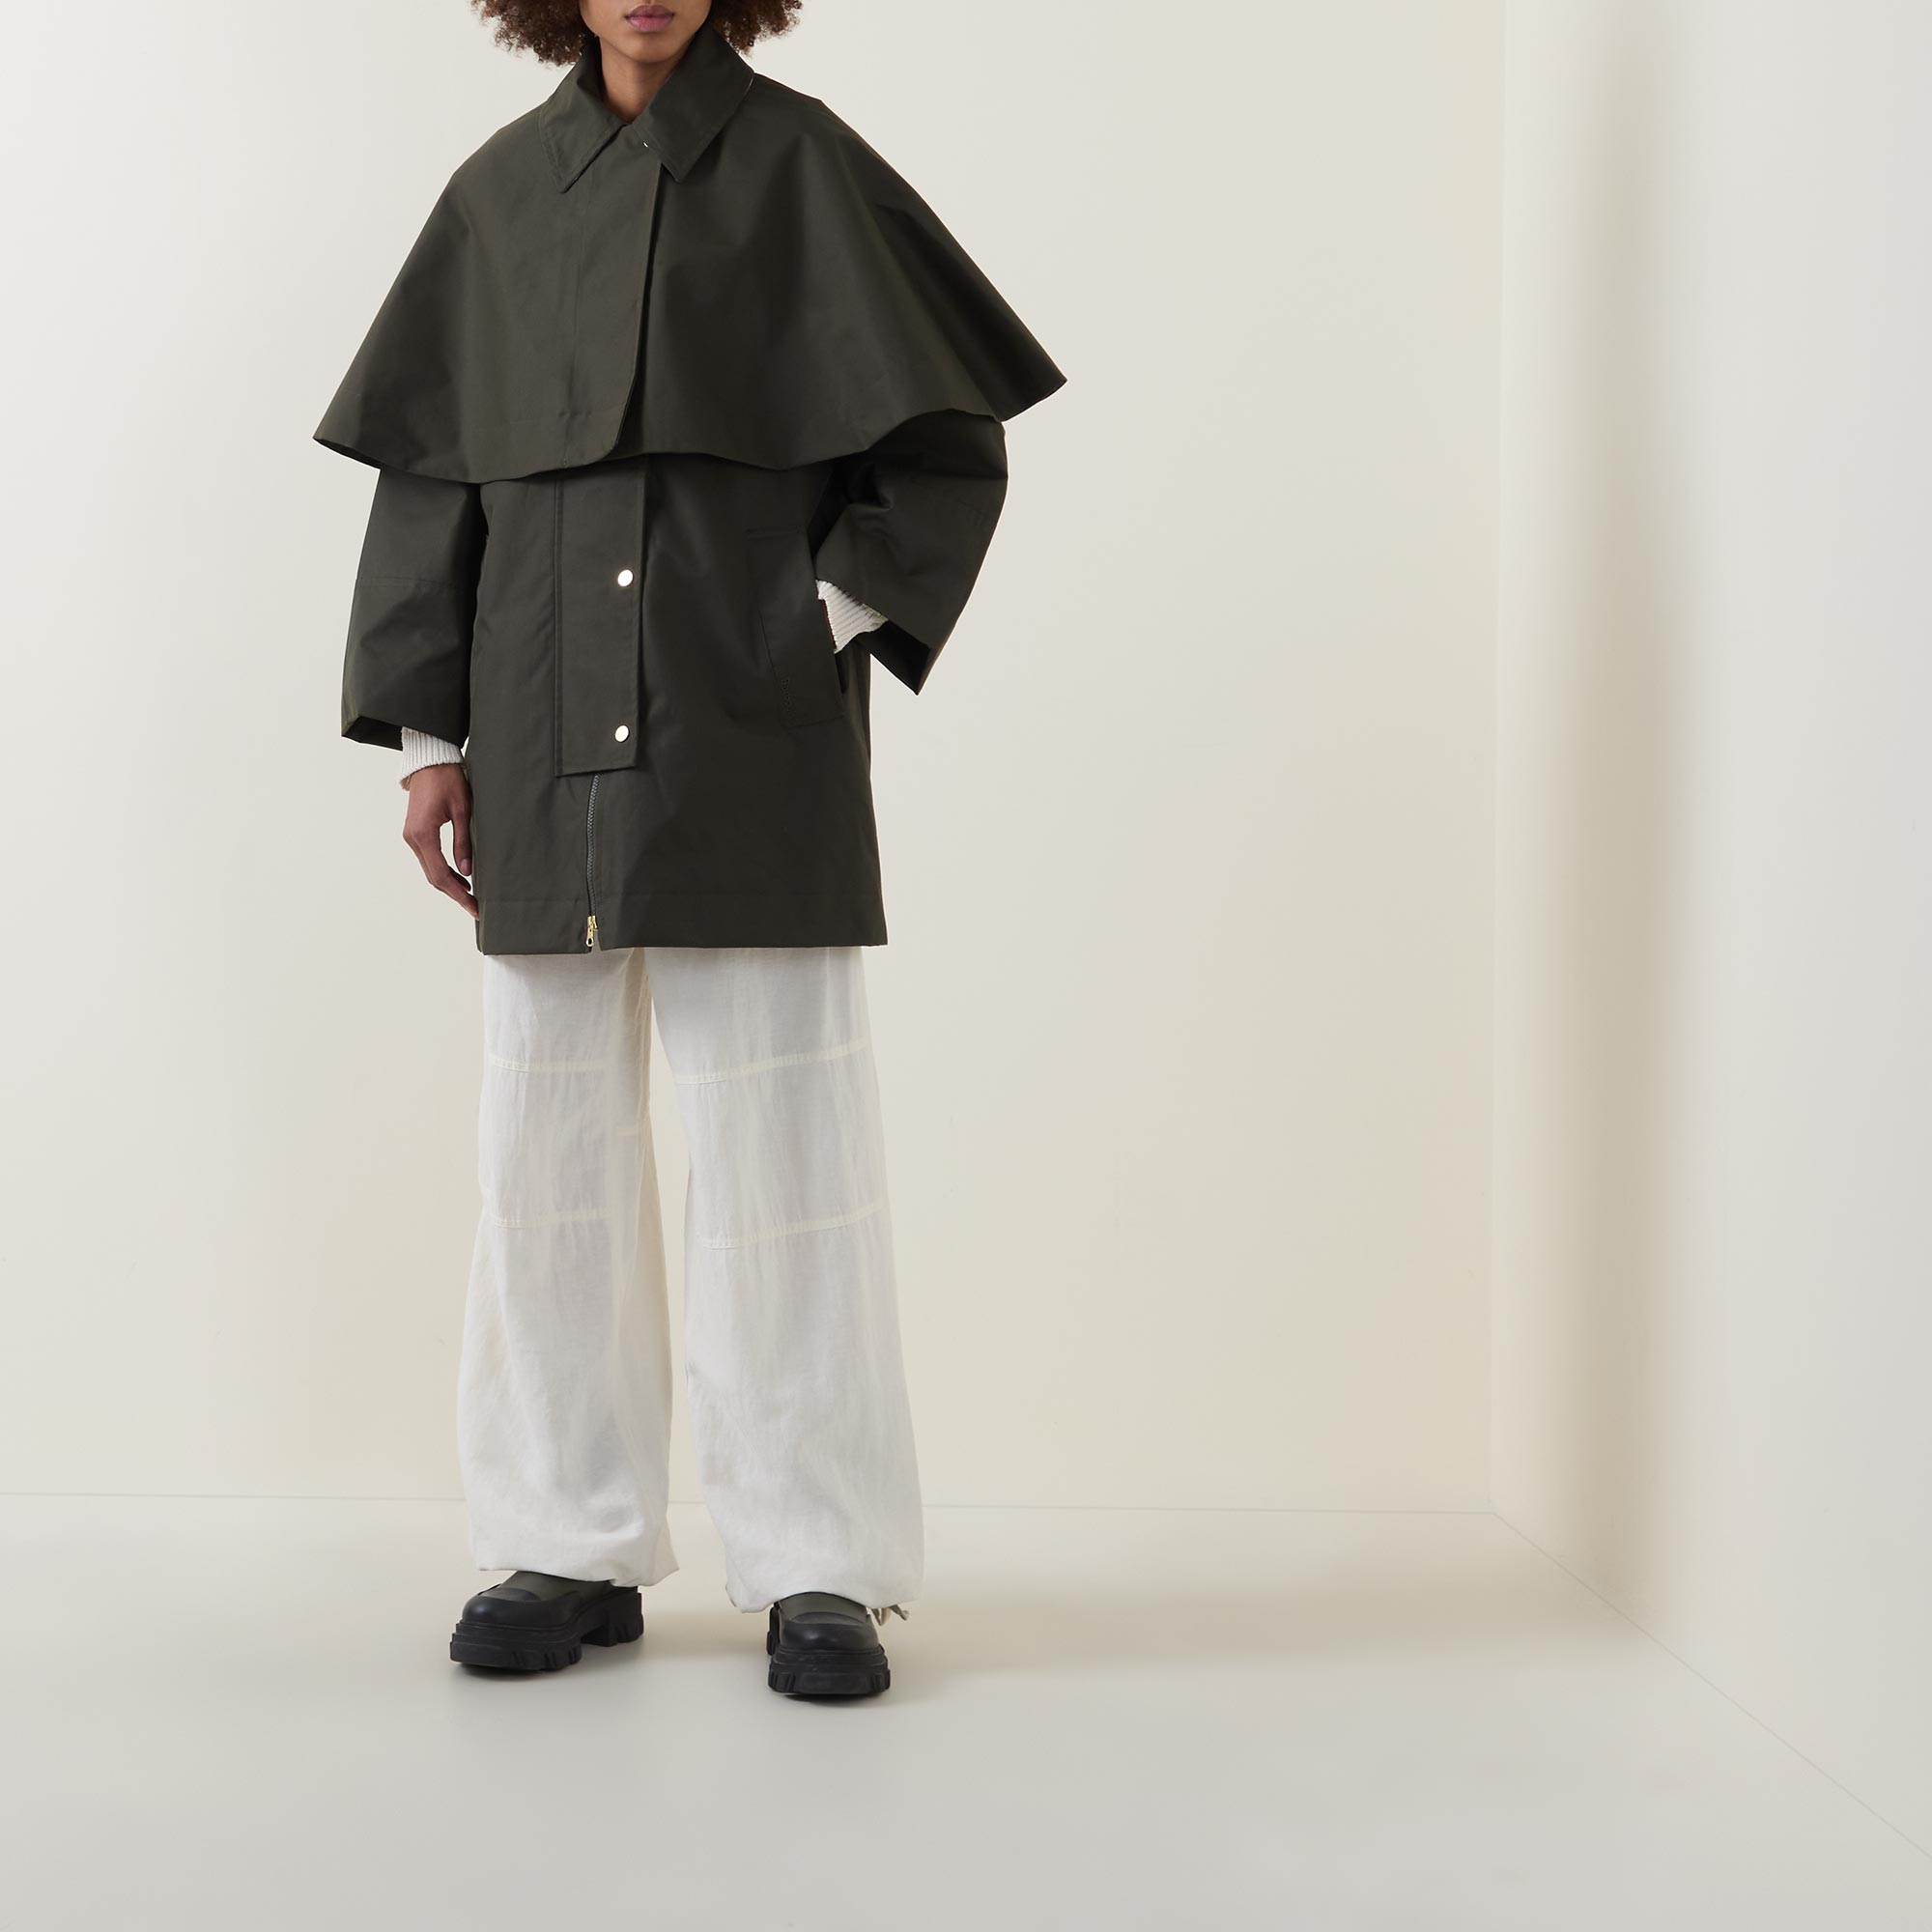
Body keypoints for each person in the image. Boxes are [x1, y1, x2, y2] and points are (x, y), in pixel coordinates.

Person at [314, 0, 1062, 1694]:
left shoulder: (806, 169)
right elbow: (430, 486)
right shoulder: (499, 195)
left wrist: (815, 621)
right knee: (545, 1155)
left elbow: (948, 445)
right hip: (535, 723)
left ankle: (818, 1559)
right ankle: (562, 1542)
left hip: (749, 726)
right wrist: (432, 742)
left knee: (781, 1145)